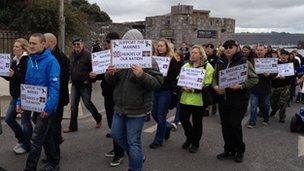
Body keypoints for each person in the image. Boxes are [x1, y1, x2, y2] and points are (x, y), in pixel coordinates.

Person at [105, 29, 163, 171]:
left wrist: (142, 75)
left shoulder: (149, 59)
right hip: (119, 107)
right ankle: (137, 156)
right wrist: (110, 73)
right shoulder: (119, 58)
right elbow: (110, 81)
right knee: (116, 134)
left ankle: (135, 167)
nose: (126, 46)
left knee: (133, 142)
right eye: (124, 43)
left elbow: (157, 83)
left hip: (137, 110)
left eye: (129, 43)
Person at [17, 33, 60, 171]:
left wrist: (48, 108)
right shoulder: (30, 60)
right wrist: (20, 101)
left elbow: (54, 88)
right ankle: (54, 162)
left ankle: (30, 168)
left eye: (34, 43)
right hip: (35, 106)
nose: (31, 46)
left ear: (43, 44)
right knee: (46, 136)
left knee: (35, 140)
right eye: (30, 43)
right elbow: (27, 84)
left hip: (46, 108)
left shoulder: (51, 62)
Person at [213, 40, 258, 163]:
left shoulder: (245, 62)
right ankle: (228, 150)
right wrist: (215, 87)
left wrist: (241, 86)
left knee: (234, 125)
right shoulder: (220, 61)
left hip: (239, 99)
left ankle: (239, 151)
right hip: (223, 99)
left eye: (231, 47)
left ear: (237, 48)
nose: (228, 49)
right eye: (226, 47)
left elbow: (254, 79)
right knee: (225, 126)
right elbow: (214, 78)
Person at [90, 32, 125, 167]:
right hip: (107, 95)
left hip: (119, 96)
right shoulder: (103, 56)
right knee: (112, 124)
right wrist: (94, 75)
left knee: (117, 126)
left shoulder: (122, 57)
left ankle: (119, 153)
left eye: (110, 42)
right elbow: (101, 75)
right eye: (107, 41)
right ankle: (118, 148)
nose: (108, 44)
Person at [179, 45, 214, 153]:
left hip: (199, 101)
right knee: (184, 120)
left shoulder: (207, 67)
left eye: (195, 53)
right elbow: (179, 79)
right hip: (185, 99)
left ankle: (195, 143)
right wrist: (182, 86)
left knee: (197, 123)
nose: (192, 54)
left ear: (201, 54)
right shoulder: (186, 65)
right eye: (191, 52)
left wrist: (194, 90)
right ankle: (190, 138)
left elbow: (207, 85)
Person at [63, 37, 102, 133]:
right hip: (75, 84)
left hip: (85, 84)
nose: (76, 46)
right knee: (73, 106)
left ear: (82, 45)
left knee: (87, 103)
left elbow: (95, 70)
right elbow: (70, 68)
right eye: (75, 44)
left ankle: (98, 118)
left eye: (78, 44)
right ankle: (73, 126)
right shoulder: (72, 55)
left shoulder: (88, 56)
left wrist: (91, 78)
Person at [43, 33, 70, 166]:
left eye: (44, 41)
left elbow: (62, 82)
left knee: (53, 128)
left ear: (52, 42)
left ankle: (55, 158)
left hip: (57, 99)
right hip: (46, 98)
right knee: (48, 128)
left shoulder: (62, 59)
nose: (42, 43)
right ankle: (51, 154)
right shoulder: (45, 57)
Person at [2, 38, 31, 154]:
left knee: (25, 122)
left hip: (25, 96)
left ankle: (27, 145)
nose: (14, 48)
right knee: (9, 119)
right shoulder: (14, 60)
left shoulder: (26, 60)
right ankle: (22, 140)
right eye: (14, 46)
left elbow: (27, 79)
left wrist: (15, 74)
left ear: (23, 48)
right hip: (15, 96)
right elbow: (11, 77)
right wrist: (4, 74)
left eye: (17, 47)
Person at [149, 38, 180, 149]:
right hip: (155, 90)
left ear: (166, 47)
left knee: (161, 115)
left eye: (162, 45)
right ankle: (167, 127)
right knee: (154, 114)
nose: (160, 47)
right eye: (159, 45)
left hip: (165, 91)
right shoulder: (154, 59)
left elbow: (174, 75)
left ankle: (158, 140)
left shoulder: (172, 60)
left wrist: (163, 77)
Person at [247, 44, 276, 128]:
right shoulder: (252, 61)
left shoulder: (270, 61)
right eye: (258, 50)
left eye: (261, 50)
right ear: (255, 51)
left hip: (265, 87)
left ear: (265, 51)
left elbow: (275, 73)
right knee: (253, 106)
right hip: (254, 88)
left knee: (265, 106)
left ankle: (266, 118)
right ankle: (252, 122)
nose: (259, 52)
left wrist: (269, 75)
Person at [270, 49, 293, 123]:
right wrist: (275, 76)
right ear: (280, 55)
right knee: (273, 102)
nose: (284, 57)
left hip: (285, 86)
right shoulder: (275, 63)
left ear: (288, 57)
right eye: (282, 55)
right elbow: (271, 73)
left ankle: (282, 116)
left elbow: (292, 76)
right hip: (274, 86)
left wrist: (285, 77)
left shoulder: (290, 65)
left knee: (283, 103)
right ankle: (274, 110)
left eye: (285, 55)